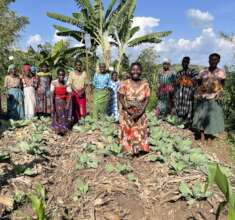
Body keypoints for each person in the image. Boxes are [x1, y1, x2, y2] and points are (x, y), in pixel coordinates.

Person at [118, 62, 150, 155]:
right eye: (133, 69)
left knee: (139, 130)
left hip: (140, 112)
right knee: (127, 130)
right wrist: (127, 109)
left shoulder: (145, 84)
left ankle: (139, 149)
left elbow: (147, 99)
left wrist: (141, 112)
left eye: (138, 70)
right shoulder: (125, 83)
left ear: (141, 71)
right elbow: (120, 97)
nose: (135, 72)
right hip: (127, 112)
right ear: (130, 71)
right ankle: (127, 150)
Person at [193, 53, 226, 143]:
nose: (213, 61)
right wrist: (199, 92)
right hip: (203, 97)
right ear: (208, 60)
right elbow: (198, 82)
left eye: (215, 59)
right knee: (202, 116)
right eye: (211, 59)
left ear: (218, 61)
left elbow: (222, 84)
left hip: (214, 97)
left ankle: (209, 134)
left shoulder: (221, 72)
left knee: (212, 117)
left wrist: (219, 93)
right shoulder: (203, 71)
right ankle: (202, 135)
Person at [174, 57, 198, 125]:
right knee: (180, 105)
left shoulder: (192, 72)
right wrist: (180, 80)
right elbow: (176, 82)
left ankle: (188, 122)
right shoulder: (179, 73)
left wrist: (185, 80)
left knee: (189, 106)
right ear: (181, 62)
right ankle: (181, 120)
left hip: (189, 92)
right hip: (180, 92)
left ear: (188, 63)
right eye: (183, 62)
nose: (184, 63)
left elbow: (196, 80)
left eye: (186, 62)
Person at [51, 68, 72, 135]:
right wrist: (52, 105)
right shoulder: (54, 83)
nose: (61, 77)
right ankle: (57, 129)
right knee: (57, 115)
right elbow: (51, 94)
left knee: (64, 115)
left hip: (64, 101)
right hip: (57, 101)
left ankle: (63, 129)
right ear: (57, 75)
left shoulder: (67, 83)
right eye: (60, 75)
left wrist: (68, 104)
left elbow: (70, 93)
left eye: (63, 75)